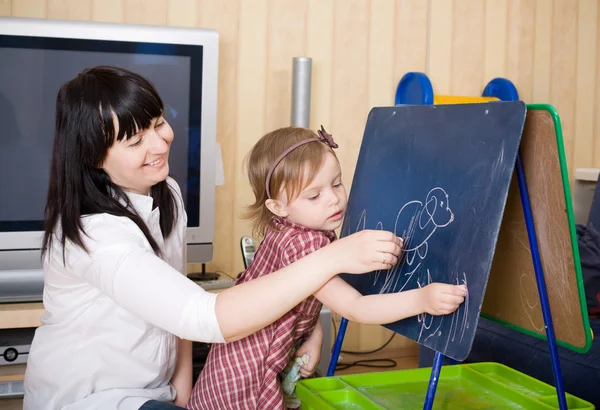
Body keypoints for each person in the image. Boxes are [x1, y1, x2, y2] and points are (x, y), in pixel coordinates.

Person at [22, 66, 404, 410]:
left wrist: (183, 394)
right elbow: (202, 316)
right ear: (93, 156)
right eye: (135, 141)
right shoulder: (96, 238)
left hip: (156, 391)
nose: (158, 144)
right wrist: (335, 257)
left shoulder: (166, 192)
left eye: (157, 123)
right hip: (92, 399)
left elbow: (180, 304)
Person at [187, 126, 467, 410]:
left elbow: (301, 299)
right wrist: (422, 299)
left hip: (227, 369)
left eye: (337, 184)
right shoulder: (304, 245)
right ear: (277, 206)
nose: (333, 199)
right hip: (247, 381)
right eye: (314, 196)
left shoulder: (285, 229)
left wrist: (314, 336)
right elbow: (355, 307)